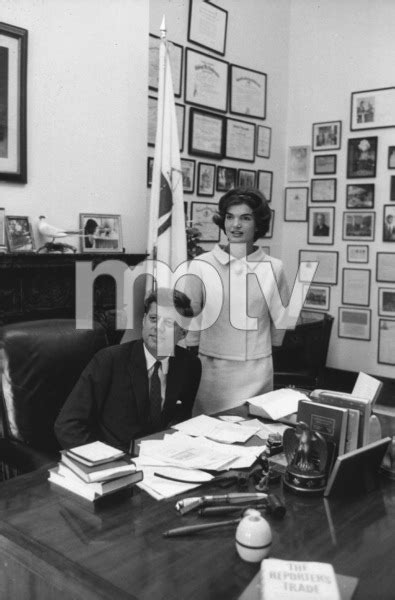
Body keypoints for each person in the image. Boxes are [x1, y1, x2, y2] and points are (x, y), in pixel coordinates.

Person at [183, 187, 289, 415]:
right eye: (230, 217)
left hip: (256, 370)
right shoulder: (202, 265)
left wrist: (262, 351)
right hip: (212, 371)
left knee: (253, 434)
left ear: (258, 224)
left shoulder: (274, 267)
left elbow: (279, 323)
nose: (235, 225)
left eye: (245, 218)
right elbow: (191, 322)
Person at [54, 288, 202, 450]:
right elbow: (68, 426)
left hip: (161, 460)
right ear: (144, 320)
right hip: (114, 460)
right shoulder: (109, 361)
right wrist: (104, 463)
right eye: (153, 319)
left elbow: (179, 421)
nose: (158, 327)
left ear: (183, 332)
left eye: (168, 323)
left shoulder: (189, 365)